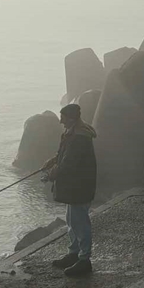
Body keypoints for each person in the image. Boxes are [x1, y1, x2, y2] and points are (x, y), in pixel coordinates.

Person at [42, 103, 97, 277]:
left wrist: (51, 174)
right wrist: (52, 161)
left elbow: (68, 163)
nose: (60, 121)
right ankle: (74, 253)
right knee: (71, 220)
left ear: (71, 118)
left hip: (79, 185)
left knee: (80, 222)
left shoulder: (79, 137)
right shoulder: (72, 132)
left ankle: (84, 259)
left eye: (63, 117)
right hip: (74, 185)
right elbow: (63, 155)